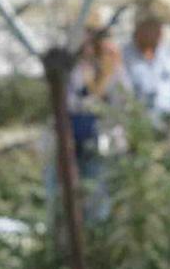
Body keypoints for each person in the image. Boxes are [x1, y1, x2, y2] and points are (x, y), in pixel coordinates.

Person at [46, 15, 120, 230]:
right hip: (68, 140)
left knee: (96, 194)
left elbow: (112, 101)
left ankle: (95, 235)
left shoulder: (110, 68)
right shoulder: (69, 69)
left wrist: (106, 72)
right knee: (62, 195)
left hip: (96, 141)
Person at [122, 14, 170, 133]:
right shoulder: (126, 55)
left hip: (169, 114)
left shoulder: (167, 53)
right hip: (139, 118)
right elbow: (124, 89)